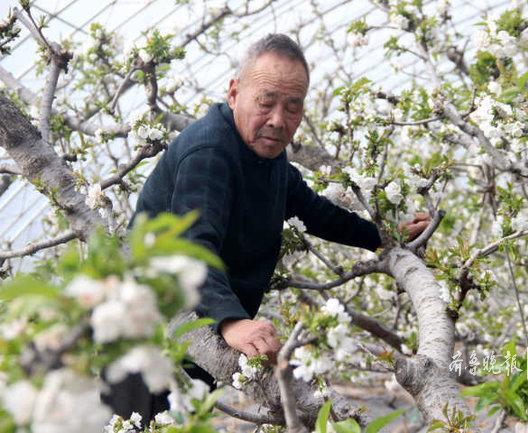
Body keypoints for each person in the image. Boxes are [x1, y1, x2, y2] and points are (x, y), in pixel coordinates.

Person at [104, 33, 431, 422]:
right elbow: (194, 247)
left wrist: (385, 236)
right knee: (129, 424)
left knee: (177, 422)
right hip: (148, 330)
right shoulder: (209, 153)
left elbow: (316, 212)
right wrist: (231, 320)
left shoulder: (268, 157)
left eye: (293, 107)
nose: (279, 120)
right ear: (234, 92)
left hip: (197, 329)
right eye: (266, 102)